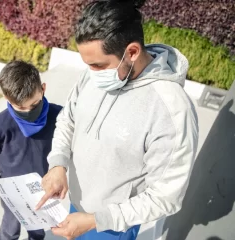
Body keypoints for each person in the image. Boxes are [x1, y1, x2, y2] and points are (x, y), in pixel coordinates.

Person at [35, 0, 199, 239]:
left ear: (131, 52)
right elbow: (67, 121)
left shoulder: (172, 110)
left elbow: (165, 196)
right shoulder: (93, 75)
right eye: (87, 64)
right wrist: (58, 164)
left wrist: (95, 220)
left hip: (111, 228)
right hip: (75, 209)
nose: (92, 73)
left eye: (98, 65)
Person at [0, 60, 62, 240]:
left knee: (38, 230)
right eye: (20, 108)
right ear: (7, 99)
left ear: (43, 89)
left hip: (41, 189)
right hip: (12, 190)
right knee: (10, 228)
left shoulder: (59, 116)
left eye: (34, 105)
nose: (28, 113)